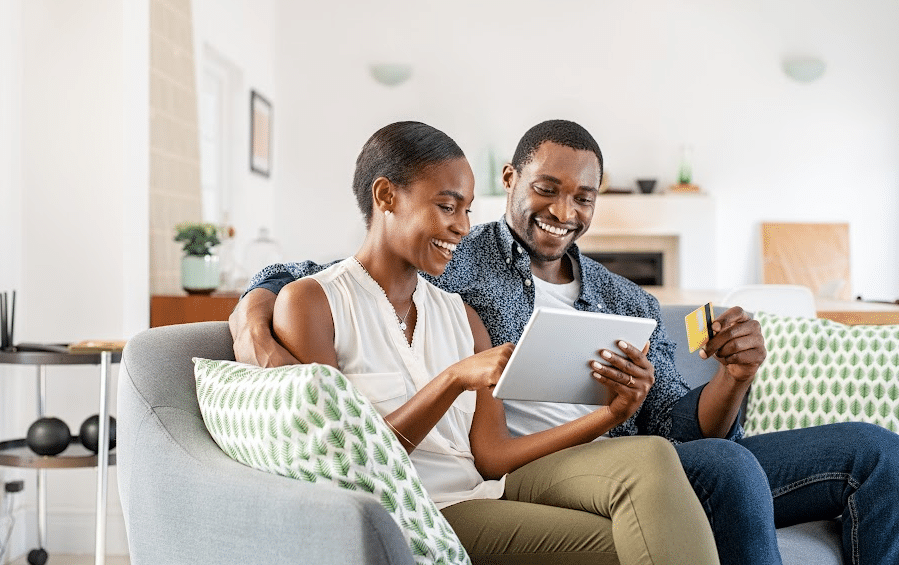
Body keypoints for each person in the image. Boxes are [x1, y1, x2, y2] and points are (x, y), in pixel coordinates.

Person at [231, 119, 899, 565]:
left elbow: (675, 423)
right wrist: (255, 305)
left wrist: (733, 376)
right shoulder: (466, 260)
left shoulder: (624, 298)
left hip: (629, 453)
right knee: (723, 468)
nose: (564, 211)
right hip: (531, 473)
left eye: (584, 196)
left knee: (874, 452)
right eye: (547, 188)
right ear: (511, 182)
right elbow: (337, 269)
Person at [270, 120, 719, 564]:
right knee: (632, 543)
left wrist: (611, 414)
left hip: (485, 493)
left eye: (467, 210)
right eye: (447, 207)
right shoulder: (312, 303)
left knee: (652, 469)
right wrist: (450, 380)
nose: (463, 227)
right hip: (419, 514)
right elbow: (345, 466)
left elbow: (492, 457)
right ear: (386, 196)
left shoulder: (461, 317)